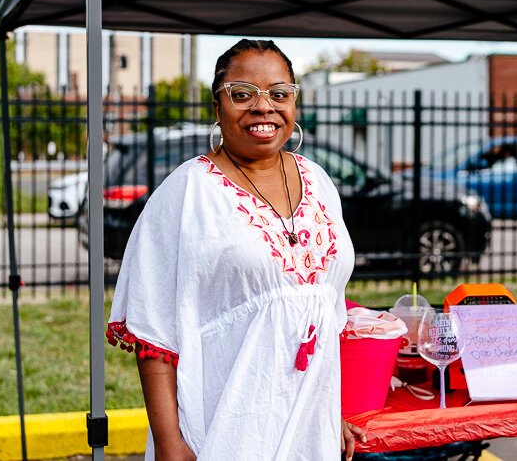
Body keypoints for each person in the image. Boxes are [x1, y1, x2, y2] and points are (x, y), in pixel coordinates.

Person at [106, 39, 366, 460]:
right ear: (217, 107)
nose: (264, 107)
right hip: (225, 427)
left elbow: (325, 310)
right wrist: (170, 443)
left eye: (279, 93)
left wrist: (330, 411)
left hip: (308, 425)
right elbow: (154, 330)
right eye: (242, 94)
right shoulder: (187, 193)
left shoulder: (318, 181)